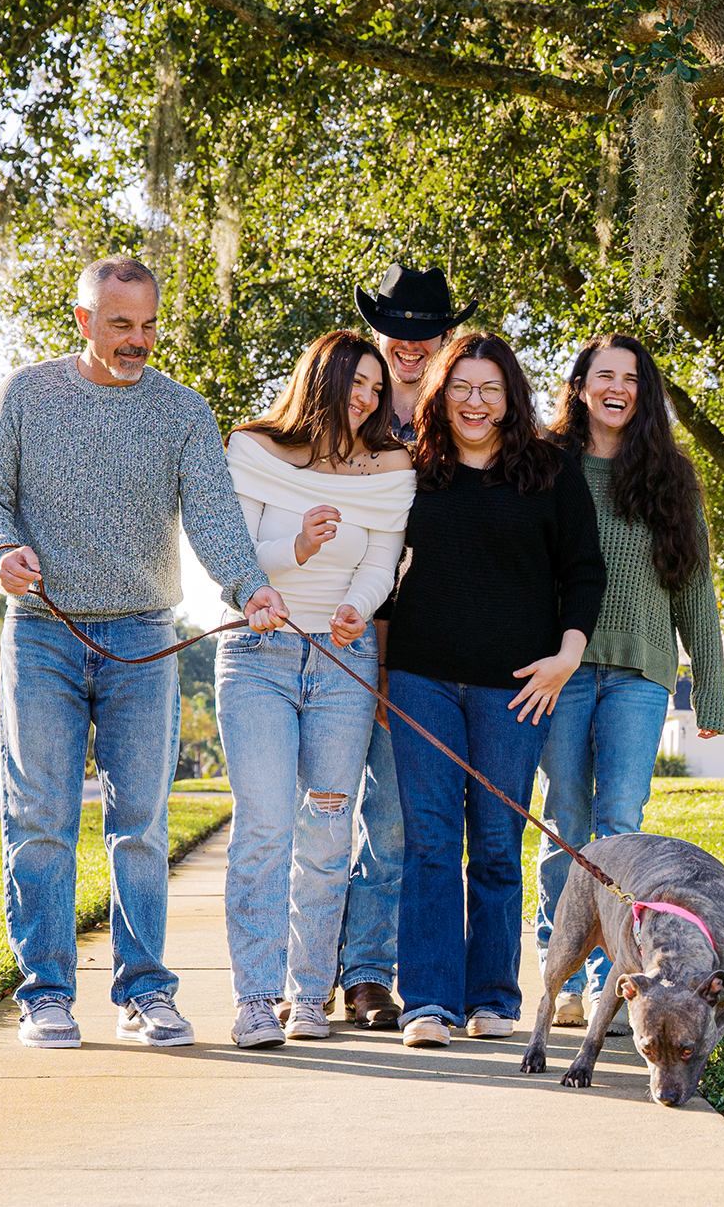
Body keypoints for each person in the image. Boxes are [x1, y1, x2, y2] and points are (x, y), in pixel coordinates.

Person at [0, 254, 287, 1050]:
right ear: (83, 322)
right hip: (44, 631)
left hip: (146, 633)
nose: (138, 340)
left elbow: (213, 516)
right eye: (120, 326)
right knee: (40, 817)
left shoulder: (182, 411)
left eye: (147, 324)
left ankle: (145, 989)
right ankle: (45, 992)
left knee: (140, 822)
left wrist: (250, 587)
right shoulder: (27, 395)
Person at [385, 331, 605, 1048]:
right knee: (429, 841)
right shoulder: (410, 469)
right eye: (461, 387)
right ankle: (426, 1001)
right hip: (421, 680)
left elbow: (583, 571)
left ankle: (490, 996)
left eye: (489, 389)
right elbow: (378, 573)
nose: (474, 402)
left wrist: (566, 656)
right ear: (439, 392)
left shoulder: (549, 469)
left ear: (510, 396)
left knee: (495, 840)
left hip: (517, 688)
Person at [216, 331, 415, 1049]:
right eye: (354, 382)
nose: (366, 397)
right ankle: (256, 998)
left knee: (329, 827)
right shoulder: (254, 448)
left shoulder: (390, 465)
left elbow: (382, 562)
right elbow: (232, 556)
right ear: (319, 379)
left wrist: (357, 606)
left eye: (373, 386)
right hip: (258, 651)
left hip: (343, 659)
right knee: (267, 825)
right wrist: (294, 549)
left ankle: (307, 995)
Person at [536, 334, 724, 1031]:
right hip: (560, 666)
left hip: (642, 671)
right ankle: (553, 964)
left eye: (633, 379)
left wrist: (711, 685)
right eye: (604, 374)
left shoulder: (670, 477)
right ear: (581, 383)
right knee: (567, 820)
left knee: (620, 821)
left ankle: (608, 980)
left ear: (644, 395)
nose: (618, 387)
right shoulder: (546, 464)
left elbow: (696, 586)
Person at [331, 264, 475, 1031]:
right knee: (317, 815)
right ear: (377, 331)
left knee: (390, 820)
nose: (411, 344)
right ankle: (306, 966)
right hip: (330, 635)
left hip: (418, 653)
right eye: (399, 329)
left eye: (427, 331)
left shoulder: (459, 420)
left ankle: (365, 975)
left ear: (445, 337)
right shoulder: (345, 408)